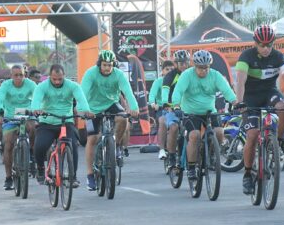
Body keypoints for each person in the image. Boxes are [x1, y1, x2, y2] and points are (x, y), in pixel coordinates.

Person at [234, 24, 284, 195]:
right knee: (253, 134)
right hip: (250, 97)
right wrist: (239, 101)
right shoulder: (246, 56)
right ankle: (247, 173)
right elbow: (240, 81)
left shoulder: (279, 57)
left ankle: (276, 142)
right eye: (262, 45)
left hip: (269, 93)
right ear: (255, 43)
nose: (266, 48)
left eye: (269, 44)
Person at [172, 50, 237, 182]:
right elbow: (178, 91)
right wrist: (176, 106)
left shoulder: (215, 75)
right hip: (191, 112)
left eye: (206, 68)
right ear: (195, 66)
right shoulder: (187, 75)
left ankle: (212, 155)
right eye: (201, 68)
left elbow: (227, 91)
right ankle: (191, 168)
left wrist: (235, 102)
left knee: (219, 132)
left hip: (209, 111)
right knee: (194, 136)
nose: (204, 71)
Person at [81, 50, 139, 191]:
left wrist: (134, 107)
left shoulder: (118, 74)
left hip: (111, 104)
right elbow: (82, 93)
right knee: (92, 138)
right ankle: (89, 175)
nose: (107, 68)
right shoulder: (90, 73)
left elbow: (128, 91)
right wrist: (83, 110)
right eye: (104, 65)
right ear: (99, 64)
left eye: (110, 65)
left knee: (123, 118)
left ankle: (116, 145)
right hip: (92, 108)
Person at [30, 64, 92, 186]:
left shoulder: (73, 86)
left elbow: (81, 100)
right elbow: (36, 101)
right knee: (40, 146)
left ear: (64, 76)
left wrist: (86, 111)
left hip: (66, 122)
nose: (57, 82)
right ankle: (41, 168)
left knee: (73, 145)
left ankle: (72, 177)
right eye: (54, 79)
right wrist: (36, 109)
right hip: (47, 122)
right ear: (49, 77)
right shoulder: (42, 87)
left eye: (60, 79)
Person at [0, 65, 38, 190]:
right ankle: (8, 178)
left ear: (25, 75)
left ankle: (33, 155)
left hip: (27, 114)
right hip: (10, 116)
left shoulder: (31, 84)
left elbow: (38, 97)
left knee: (34, 128)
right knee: (8, 145)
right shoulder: (5, 85)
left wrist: (38, 109)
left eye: (21, 75)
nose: (18, 77)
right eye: (15, 75)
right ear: (11, 76)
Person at [161, 49, 192, 168]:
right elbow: (165, 90)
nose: (184, 65)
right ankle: (172, 156)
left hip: (188, 107)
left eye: (186, 62)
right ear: (176, 64)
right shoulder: (170, 75)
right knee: (174, 128)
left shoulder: (193, 73)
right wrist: (165, 103)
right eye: (181, 63)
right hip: (172, 107)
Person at [149, 60, 175, 160]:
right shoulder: (158, 81)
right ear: (162, 71)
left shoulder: (178, 80)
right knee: (162, 121)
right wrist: (153, 104)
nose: (169, 71)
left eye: (172, 69)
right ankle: (162, 149)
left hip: (176, 108)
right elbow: (152, 95)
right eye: (167, 69)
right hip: (162, 108)